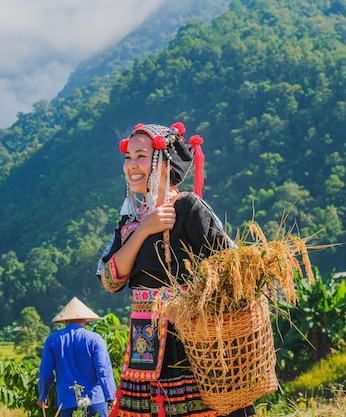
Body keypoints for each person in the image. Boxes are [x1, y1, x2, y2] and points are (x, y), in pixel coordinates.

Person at [96, 122, 256, 417]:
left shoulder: (189, 207)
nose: (132, 165)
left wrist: (191, 299)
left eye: (140, 156)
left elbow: (233, 267)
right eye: (127, 157)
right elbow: (110, 279)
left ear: (164, 161)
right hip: (145, 340)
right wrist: (144, 229)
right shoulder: (130, 219)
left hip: (193, 336)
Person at [38, 296, 117, 417]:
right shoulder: (95, 339)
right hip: (95, 401)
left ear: (65, 320)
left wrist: (43, 396)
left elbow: (46, 373)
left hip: (67, 403)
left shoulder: (52, 341)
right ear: (85, 319)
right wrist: (111, 396)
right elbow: (103, 370)